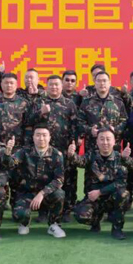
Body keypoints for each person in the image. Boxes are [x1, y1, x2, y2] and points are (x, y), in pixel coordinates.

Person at [68, 127, 131, 240]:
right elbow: (79, 161)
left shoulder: (119, 158)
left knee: (123, 194)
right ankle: (95, 221)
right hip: (94, 199)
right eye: (101, 139)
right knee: (81, 215)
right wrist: (72, 154)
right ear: (97, 141)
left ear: (114, 142)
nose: (105, 142)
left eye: (108, 139)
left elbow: (121, 182)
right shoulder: (91, 155)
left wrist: (100, 192)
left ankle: (117, 229)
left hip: (112, 198)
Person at [5, 126, 67, 238]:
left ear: (49, 137)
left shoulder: (57, 155)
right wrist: (8, 152)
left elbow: (59, 180)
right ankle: (24, 223)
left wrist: (42, 193)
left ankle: (54, 224)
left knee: (59, 194)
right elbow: (10, 163)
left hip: (47, 193)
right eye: (38, 135)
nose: (41, 138)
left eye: (44, 135)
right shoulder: (24, 152)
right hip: (27, 192)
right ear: (33, 137)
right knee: (19, 214)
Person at [32, 75, 79, 222]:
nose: (54, 87)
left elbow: (75, 126)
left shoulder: (69, 103)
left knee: (69, 179)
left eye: (57, 85)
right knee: (43, 178)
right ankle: (43, 211)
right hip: (44, 150)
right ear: (46, 86)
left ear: (61, 86)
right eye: (51, 84)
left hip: (64, 148)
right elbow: (29, 121)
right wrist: (41, 112)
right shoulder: (39, 102)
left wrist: (74, 145)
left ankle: (67, 210)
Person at [77, 71, 128, 152]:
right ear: (95, 83)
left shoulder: (118, 102)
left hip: (113, 148)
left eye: (104, 81)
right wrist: (90, 130)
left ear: (109, 83)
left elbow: (124, 121)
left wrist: (115, 129)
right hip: (92, 148)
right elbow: (79, 122)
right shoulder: (86, 102)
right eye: (99, 81)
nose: (102, 83)